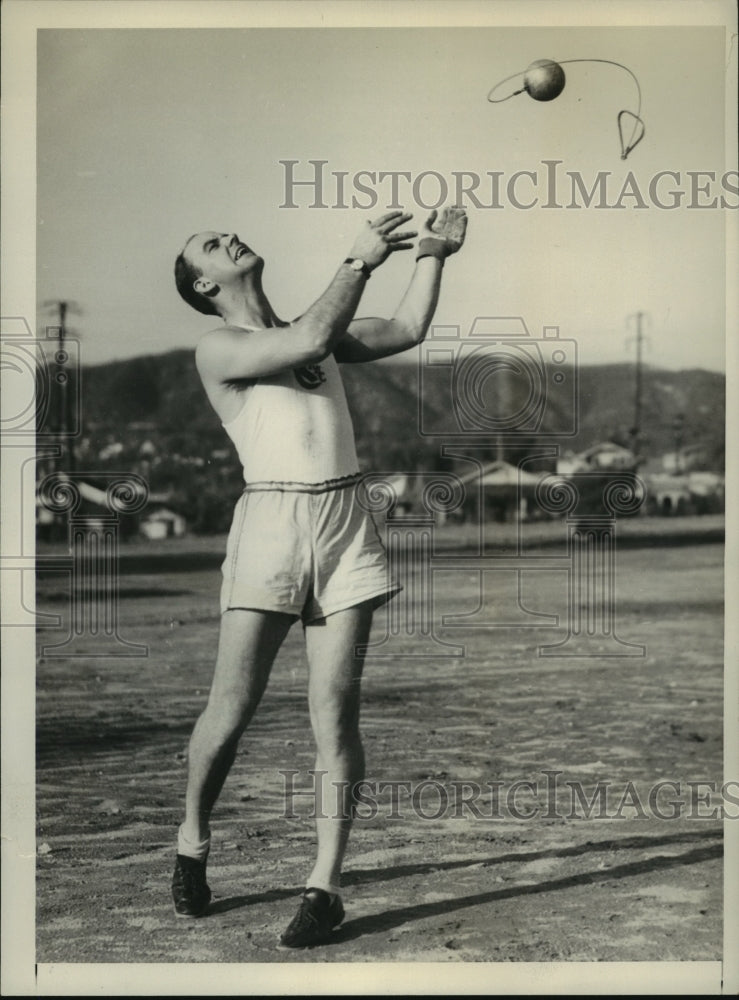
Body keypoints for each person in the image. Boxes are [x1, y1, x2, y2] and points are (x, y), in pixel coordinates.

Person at [172, 205, 468, 947]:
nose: (228, 236)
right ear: (205, 285)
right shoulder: (219, 346)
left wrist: (431, 254)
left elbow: (405, 329)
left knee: (335, 715)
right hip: (271, 523)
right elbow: (307, 338)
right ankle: (192, 840)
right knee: (231, 709)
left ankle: (325, 886)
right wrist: (359, 260)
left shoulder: (318, 328)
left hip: (344, 520)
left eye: (224, 230)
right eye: (211, 245)